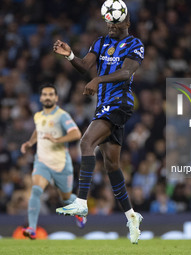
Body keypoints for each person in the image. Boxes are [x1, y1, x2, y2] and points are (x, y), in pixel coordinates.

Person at [53, 11, 144, 244]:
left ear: (127, 22)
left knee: (86, 142)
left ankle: (81, 203)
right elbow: (84, 66)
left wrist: (98, 80)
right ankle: (132, 217)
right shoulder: (100, 42)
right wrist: (70, 55)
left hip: (119, 103)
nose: (111, 26)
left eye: (116, 22)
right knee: (112, 164)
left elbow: (126, 72)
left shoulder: (135, 44)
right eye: (109, 22)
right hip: (104, 105)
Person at [21, 84, 84, 240]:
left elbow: (76, 133)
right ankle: (32, 228)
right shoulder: (39, 116)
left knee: (65, 198)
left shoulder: (62, 116)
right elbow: (38, 130)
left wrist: (57, 139)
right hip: (42, 161)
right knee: (36, 190)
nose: (47, 97)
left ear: (56, 98)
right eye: (44, 94)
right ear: (41, 98)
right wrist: (30, 143)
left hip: (61, 163)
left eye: (51, 94)